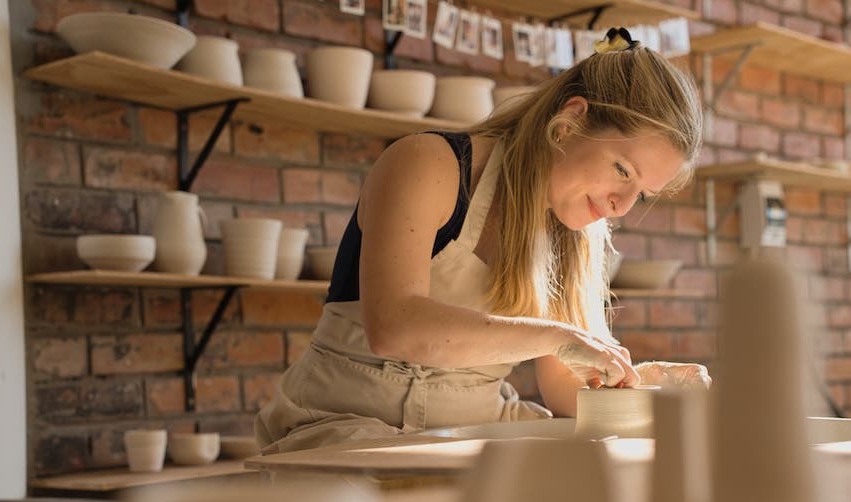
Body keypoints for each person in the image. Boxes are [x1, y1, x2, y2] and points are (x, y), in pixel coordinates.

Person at [255, 27, 710, 454]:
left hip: (476, 427)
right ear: (570, 122)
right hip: (345, 418)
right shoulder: (429, 165)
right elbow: (394, 328)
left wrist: (639, 383)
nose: (622, 206)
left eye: (642, 193)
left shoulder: (578, 235)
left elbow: (564, 390)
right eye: (622, 171)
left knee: (598, 488)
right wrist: (557, 336)